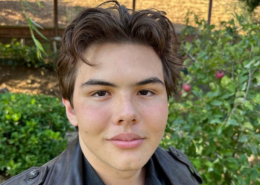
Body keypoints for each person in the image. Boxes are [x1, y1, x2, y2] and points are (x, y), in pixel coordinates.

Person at [1, 1, 202, 185]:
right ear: (70, 108)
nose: (127, 114)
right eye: (100, 93)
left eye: (145, 92)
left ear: (167, 101)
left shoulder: (184, 175)